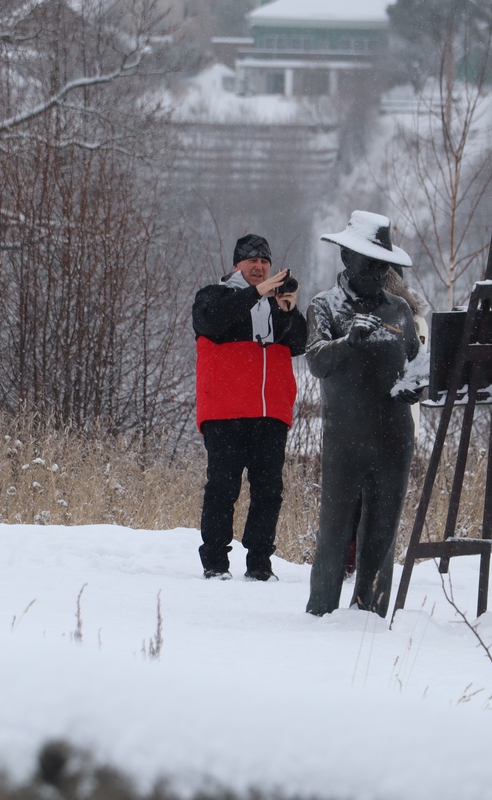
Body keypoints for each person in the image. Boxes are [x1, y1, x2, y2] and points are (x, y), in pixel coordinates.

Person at [306, 211, 425, 617]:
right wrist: (348, 340)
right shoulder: (325, 306)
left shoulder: (399, 311)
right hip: (345, 439)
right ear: (346, 259)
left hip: (394, 437)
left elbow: (416, 362)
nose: (378, 272)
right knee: (334, 532)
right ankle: (321, 611)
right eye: (370, 262)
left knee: (382, 534)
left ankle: (370, 613)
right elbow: (317, 361)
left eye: (383, 264)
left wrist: (418, 384)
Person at [192, 234, 306, 581]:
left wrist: (288, 309)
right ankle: (215, 560)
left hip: (269, 410)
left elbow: (299, 343)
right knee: (223, 486)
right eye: (251, 261)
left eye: (264, 262)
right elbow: (213, 322)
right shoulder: (213, 295)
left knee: (269, 490)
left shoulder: (275, 303)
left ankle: (259, 562)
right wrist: (256, 293)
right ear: (236, 265)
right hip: (225, 409)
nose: (259, 267)